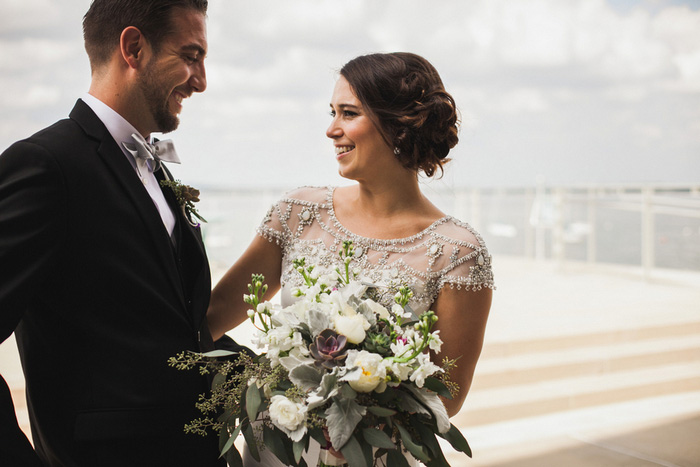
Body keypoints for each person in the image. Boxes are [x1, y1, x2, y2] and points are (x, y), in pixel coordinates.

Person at [207, 52, 495, 466]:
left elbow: (448, 395)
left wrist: (350, 411)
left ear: (397, 126)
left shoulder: (459, 252)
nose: (331, 129)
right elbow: (213, 315)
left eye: (348, 113)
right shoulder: (296, 213)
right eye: (332, 112)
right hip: (277, 450)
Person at [0, 1, 242, 465]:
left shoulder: (152, 167)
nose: (202, 80)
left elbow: (167, 326)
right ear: (133, 48)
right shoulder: (47, 166)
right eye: (191, 56)